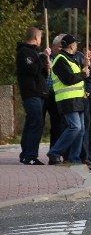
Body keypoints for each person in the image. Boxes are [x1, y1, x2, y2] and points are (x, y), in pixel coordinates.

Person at [46, 34, 90, 165]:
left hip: (77, 99)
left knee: (80, 130)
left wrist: (85, 67)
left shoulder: (72, 59)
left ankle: (74, 158)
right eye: (76, 44)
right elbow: (69, 79)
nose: (77, 46)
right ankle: (55, 151)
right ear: (71, 45)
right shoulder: (60, 60)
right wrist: (83, 74)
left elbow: (76, 77)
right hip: (67, 99)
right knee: (75, 127)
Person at [16, 27, 50, 165]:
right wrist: (43, 57)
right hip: (31, 93)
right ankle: (30, 155)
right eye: (40, 37)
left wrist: (45, 66)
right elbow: (33, 69)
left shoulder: (33, 53)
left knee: (31, 123)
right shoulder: (25, 52)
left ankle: (25, 154)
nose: (41, 40)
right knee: (36, 123)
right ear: (36, 38)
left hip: (38, 92)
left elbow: (40, 73)